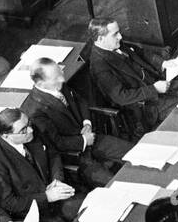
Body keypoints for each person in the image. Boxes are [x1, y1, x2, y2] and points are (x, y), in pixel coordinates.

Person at [23, 57, 129, 190]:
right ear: (41, 83)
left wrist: (87, 123)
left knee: (137, 153)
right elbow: (56, 143)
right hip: (75, 155)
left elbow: (81, 101)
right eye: (56, 77)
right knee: (116, 186)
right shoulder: (34, 110)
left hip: (91, 137)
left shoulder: (58, 85)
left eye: (60, 73)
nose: (62, 79)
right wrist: (84, 140)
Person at [0, 108, 80, 222]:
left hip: (57, 193)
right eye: (23, 130)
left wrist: (57, 179)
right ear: (6, 136)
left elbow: (53, 155)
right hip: (34, 212)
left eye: (28, 123)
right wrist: (46, 197)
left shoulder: (32, 130)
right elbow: (9, 202)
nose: (30, 130)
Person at [86, 17, 169, 135]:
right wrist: (154, 89)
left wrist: (162, 63)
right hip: (147, 106)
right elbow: (121, 97)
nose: (120, 36)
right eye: (115, 34)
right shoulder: (99, 65)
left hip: (159, 84)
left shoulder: (114, 44)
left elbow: (140, 52)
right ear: (100, 39)